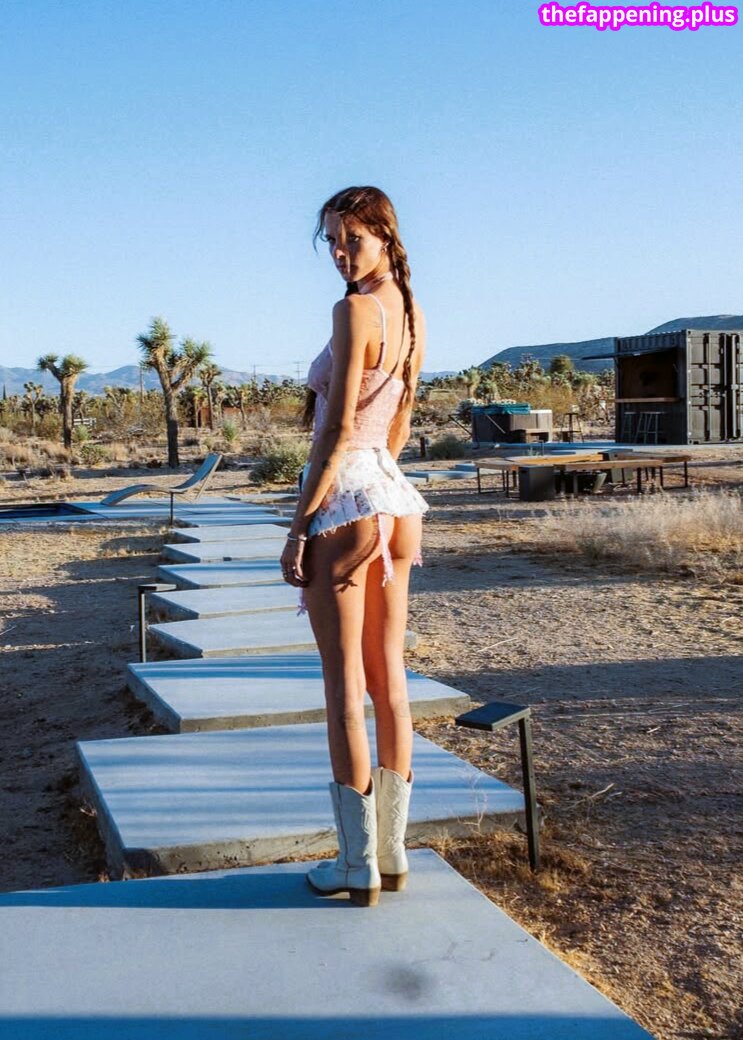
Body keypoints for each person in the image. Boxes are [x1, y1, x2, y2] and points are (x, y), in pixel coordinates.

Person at [280, 186, 429, 907]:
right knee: (388, 680)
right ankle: (391, 852)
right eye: (332, 242)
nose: (341, 253)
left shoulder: (355, 310)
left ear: (384, 236)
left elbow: (335, 430)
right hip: (395, 498)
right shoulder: (409, 308)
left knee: (344, 686)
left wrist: (297, 526)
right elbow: (400, 417)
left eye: (353, 239)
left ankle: (354, 863)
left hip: (344, 500)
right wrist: (378, 474)